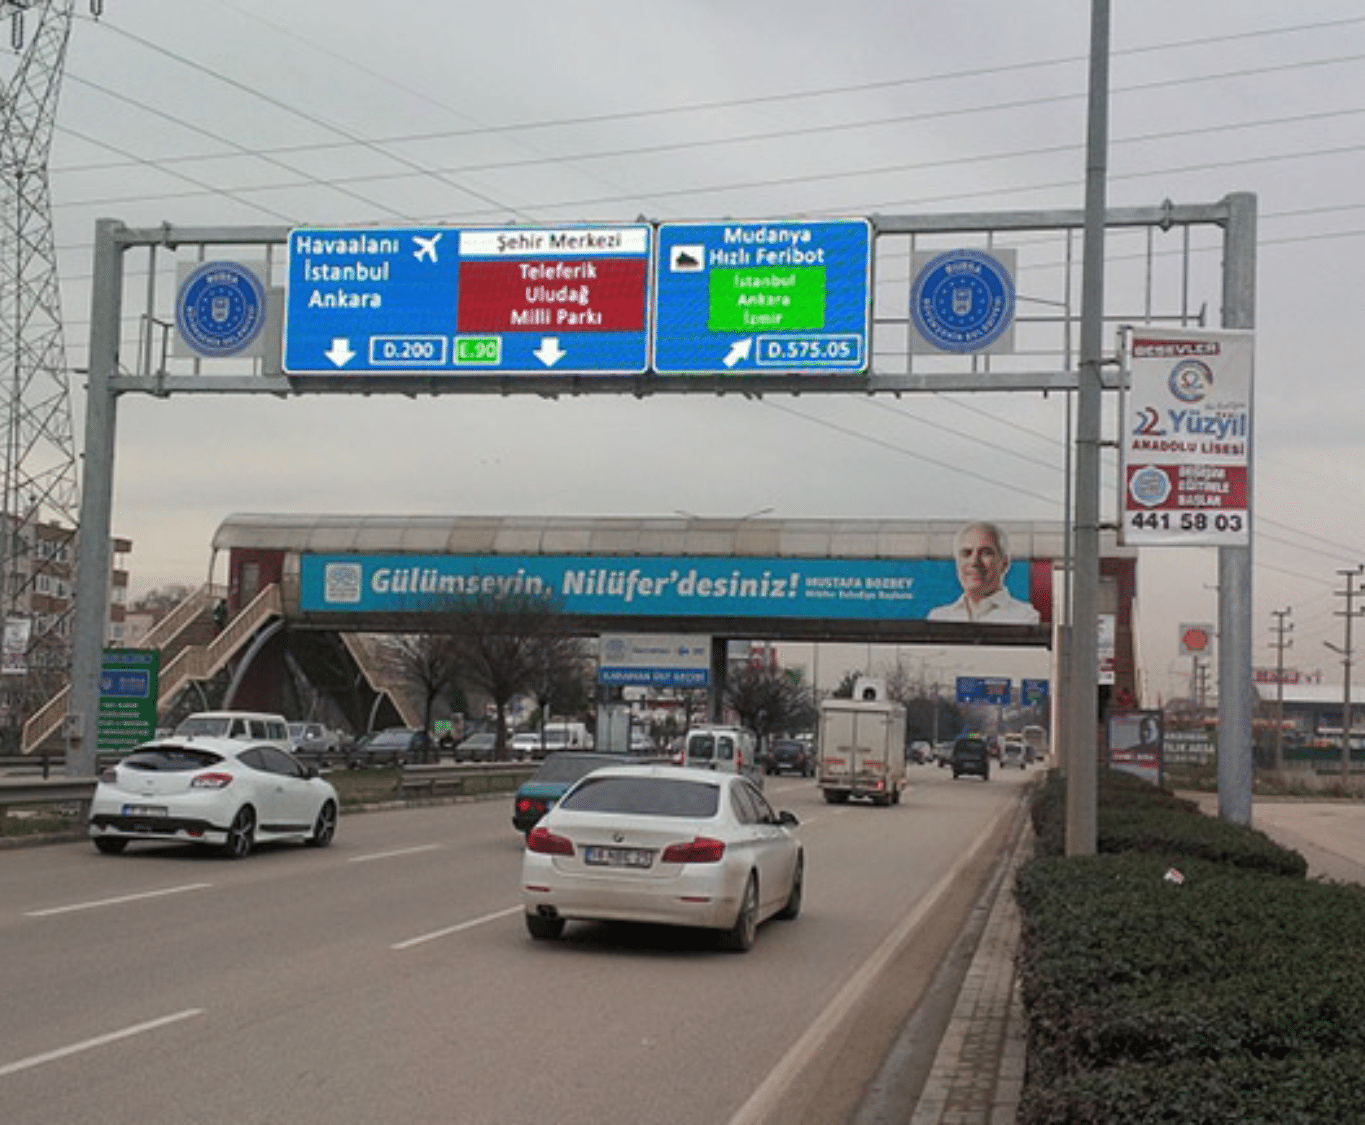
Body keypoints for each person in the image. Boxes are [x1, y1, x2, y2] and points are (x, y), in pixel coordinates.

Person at [927, 521, 1040, 624]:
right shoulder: (938, 617)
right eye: (966, 553)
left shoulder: (1026, 618)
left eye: (986, 553)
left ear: (1005, 563)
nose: (974, 562)